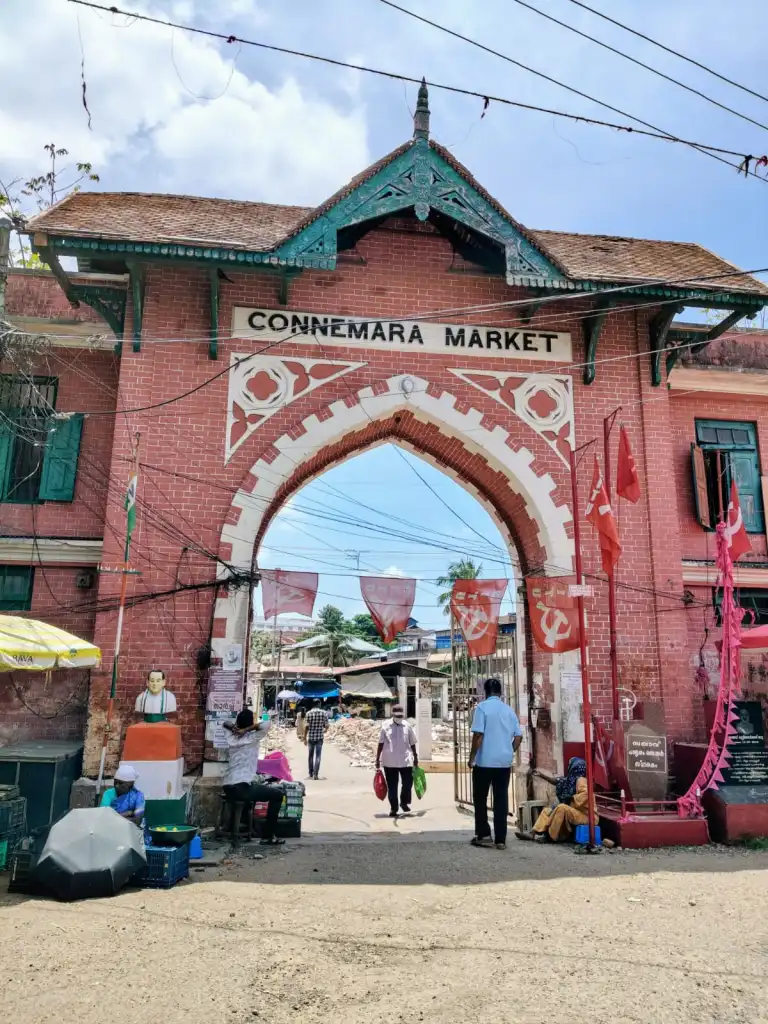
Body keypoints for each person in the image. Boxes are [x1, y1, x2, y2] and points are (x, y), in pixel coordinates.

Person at [468, 678, 523, 850]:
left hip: (484, 762)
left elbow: (478, 735)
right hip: (504, 763)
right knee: (501, 799)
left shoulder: (482, 708)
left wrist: (471, 758)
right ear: (501, 692)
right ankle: (500, 839)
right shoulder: (509, 710)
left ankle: (484, 835)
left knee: (480, 798)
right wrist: (510, 750)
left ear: (485, 692)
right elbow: (518, 736)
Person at [222, 709, 285, 846]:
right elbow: (266, 724)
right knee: (278, 794)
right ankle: (268, 836)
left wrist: (236, 729)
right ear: (251, 723)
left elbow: (224, 723)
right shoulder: (252, 737)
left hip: (227, 786)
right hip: (242, 787)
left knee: (253, 792)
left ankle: (248, 828)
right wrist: (247, 730)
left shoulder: (230, 737)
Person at [524, 757, 596, 843]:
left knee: (561, 807)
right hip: (575, 812)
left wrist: (572, 798)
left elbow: (587, 794)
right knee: (547, 810)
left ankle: (550, 836)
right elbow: (557, 781)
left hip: (587, 816)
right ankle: (532, 833)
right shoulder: (569, 781)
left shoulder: (582, 781)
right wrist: (542, 775)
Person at [376, 704, 418, 818]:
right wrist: (377, 759)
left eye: (401, 715)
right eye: (397, 715)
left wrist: (415, 757)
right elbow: (380, 743)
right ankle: (393, 808)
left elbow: (413, 742)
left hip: (405, 760)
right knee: (392, 786)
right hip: (390, 761)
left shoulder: (407, 726)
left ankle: (404, 802)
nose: (399, 717)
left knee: (408, 784)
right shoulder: (385, 726)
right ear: (393, 714)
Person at [305, 699, 328, 780]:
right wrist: (325, 730)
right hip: (319, 737)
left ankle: (310, 774)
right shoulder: (324, 713)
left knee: (310, 756)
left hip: (311, 737)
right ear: (318, 704)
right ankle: (316, 774)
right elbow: (326, 725)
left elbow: (306, 727)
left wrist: (304, 738)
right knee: (318, 756)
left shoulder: (308, 713)